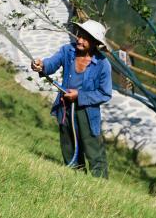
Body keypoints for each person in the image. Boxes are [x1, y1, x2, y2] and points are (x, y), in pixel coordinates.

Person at [30, 19, 113, 178]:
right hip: (65, 108)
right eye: (79, 35)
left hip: (87, 114)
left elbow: (105, 93)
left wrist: (80, 95)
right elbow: (52, 63)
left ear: (95, 42)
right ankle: (75, 179)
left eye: (85, 38)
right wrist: (42, 65)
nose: (80, 40)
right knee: (68, 147)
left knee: (93, 151)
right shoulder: (68, 51)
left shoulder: (103, 64)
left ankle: (101, 187)